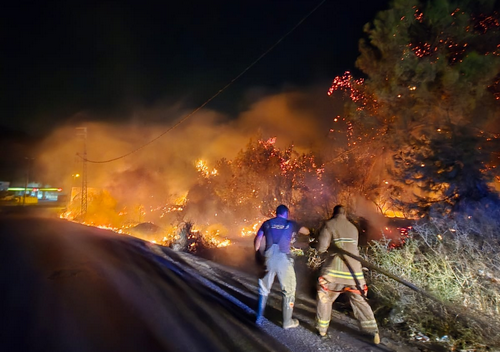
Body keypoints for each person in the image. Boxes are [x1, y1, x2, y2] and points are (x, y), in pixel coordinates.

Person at [315, 205, 380, 344]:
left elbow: (321, 248)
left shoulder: (329, 224)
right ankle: (372, 331)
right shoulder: (353, 228)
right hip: (354, 272)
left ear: (334, 213)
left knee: (324, 296)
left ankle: (322, 329)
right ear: (345, 214)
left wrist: (319, 247)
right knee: (359, 300)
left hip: (334, 272)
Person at [254, 204, 300, 329]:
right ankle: (287, 322)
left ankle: (259, 317)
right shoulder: (290, 224)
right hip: (283, 260)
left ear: (276, 213)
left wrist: (258, 256)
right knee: (289, 290)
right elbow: (305, 232)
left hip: (268, 258)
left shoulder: (267, 223)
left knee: (263, 288)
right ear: (286, 214)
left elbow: (258, 240)